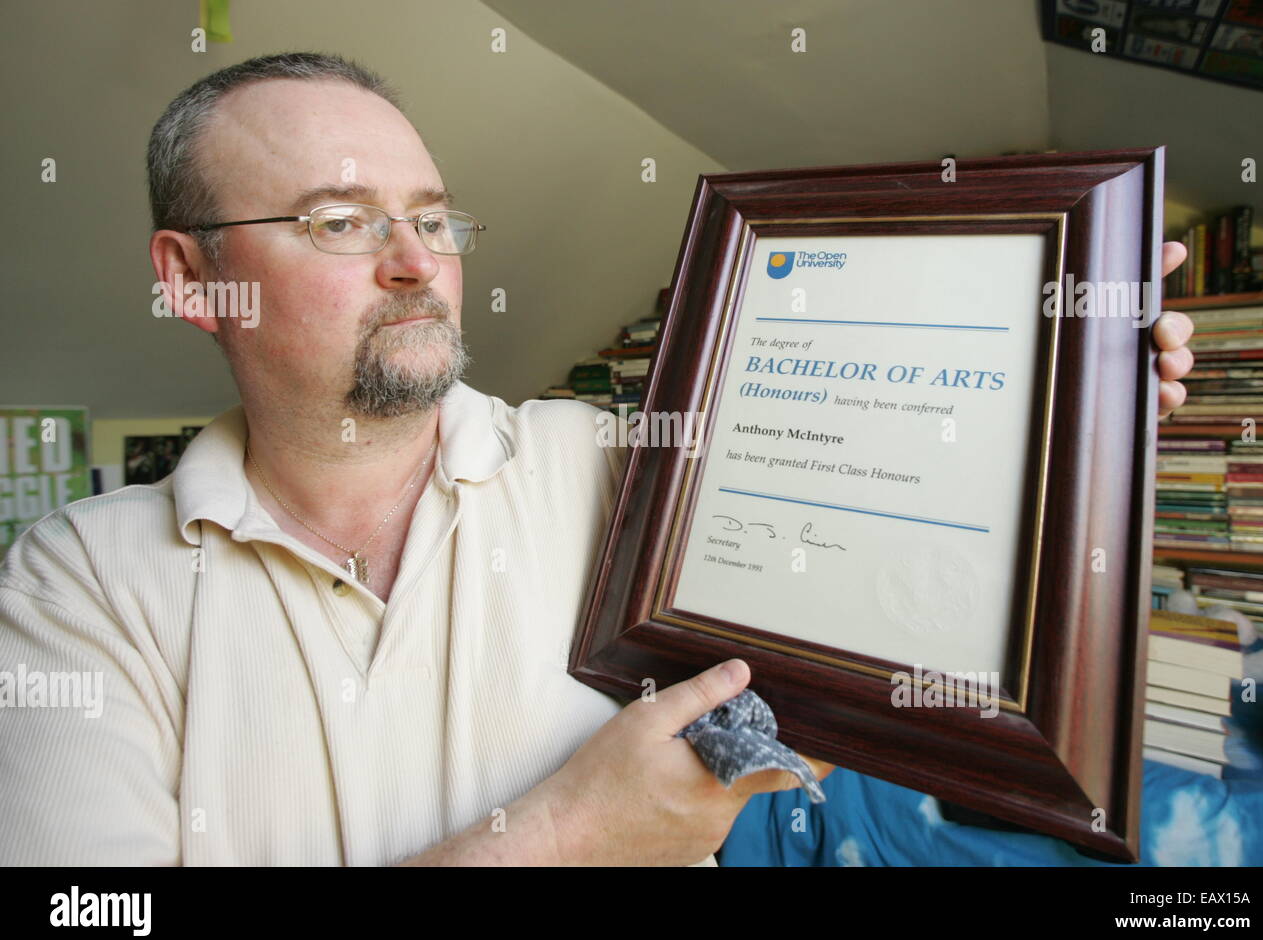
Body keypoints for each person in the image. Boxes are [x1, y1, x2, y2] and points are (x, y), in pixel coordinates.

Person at [0, 53, 1195, 866]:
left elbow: (879, 532)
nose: (418, 261)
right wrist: (566, 836)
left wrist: (1061, 411)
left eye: (433, 216)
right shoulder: (73, 585)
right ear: (189, 278)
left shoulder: (619, 465)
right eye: (338, 221)